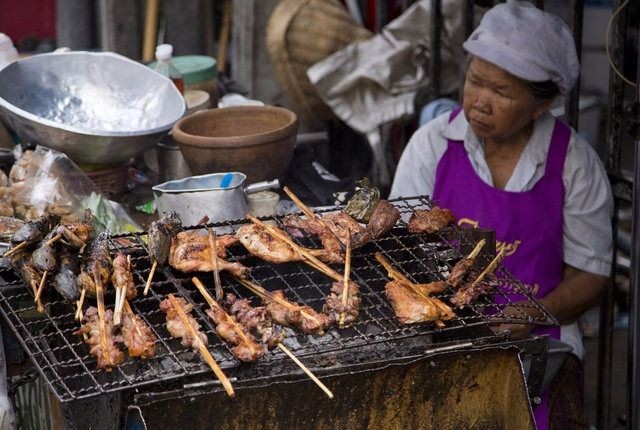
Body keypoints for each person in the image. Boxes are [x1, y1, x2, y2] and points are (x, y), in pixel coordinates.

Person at [389, 2, 612, 429]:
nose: (479, 103)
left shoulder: (573, 164)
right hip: (443, 332)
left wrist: (528, 315)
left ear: (539, 106)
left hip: (540, 342)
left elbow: (591, 277)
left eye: (502, 93)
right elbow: (398, 247)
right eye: (474, 81)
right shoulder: (431, 146)